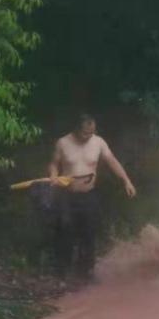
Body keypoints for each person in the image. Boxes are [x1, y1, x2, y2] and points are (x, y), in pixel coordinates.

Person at [48, 114, 137, 283]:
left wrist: (126, 180)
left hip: (88, 194)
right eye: (85, 133)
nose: (88, 136)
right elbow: (54, 163)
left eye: (91, 132)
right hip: (67, 194)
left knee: (88, 233)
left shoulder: (98, 142)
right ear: (76, 129)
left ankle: (86, 272)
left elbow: (112, 161)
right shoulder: (63, 143)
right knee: (65, 231)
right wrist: (53, 175)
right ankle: (62, 272)